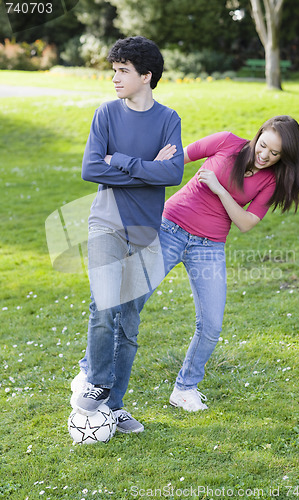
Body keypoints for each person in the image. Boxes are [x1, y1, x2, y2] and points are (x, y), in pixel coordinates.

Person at [154, 115, 299, 411]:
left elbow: (246, 222)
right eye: (263, 146)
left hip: (210, 246)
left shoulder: (271, 180)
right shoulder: (226, 142)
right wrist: (151, 168)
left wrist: (219, 188)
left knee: (212, 325)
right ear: (259, 133)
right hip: (170, 228)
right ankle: (94, 373)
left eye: (275, 153)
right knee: (130, 301)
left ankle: (185, 388)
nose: (264, 156)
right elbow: (178, 158)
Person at [70, 36, 184, 433]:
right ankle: (97, 383)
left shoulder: (169, 119)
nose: (115, 78)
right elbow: (90, 169)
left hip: (146, 232)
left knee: (129, 324)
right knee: (103, 306)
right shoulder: (106, 114)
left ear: (146, 76)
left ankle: (115, 406)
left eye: (123, 72)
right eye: (114, 70)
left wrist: (119, 161)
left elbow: (173, 174)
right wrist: (146, 168)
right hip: (106, 222)